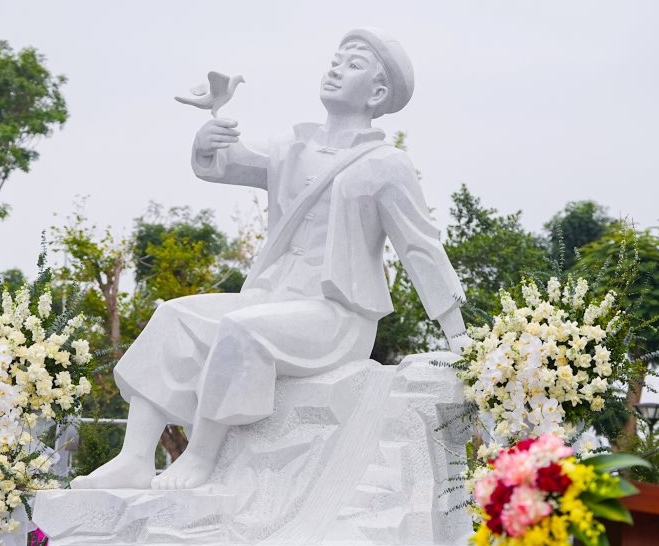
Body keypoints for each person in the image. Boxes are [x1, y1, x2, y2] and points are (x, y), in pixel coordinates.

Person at [72, 27, 470, 491]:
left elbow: (421, 248)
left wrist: (459, 335)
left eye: (354, 64)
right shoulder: (291, 147)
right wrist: (207, 141)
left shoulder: (386, 164)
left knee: (242, 330)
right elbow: (228, 162)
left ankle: (201, 457)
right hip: (272, 296)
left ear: (378, 93)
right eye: (336, 60)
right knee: (173, 316)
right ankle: (136, 458)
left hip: (336, 317)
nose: (336, 69)